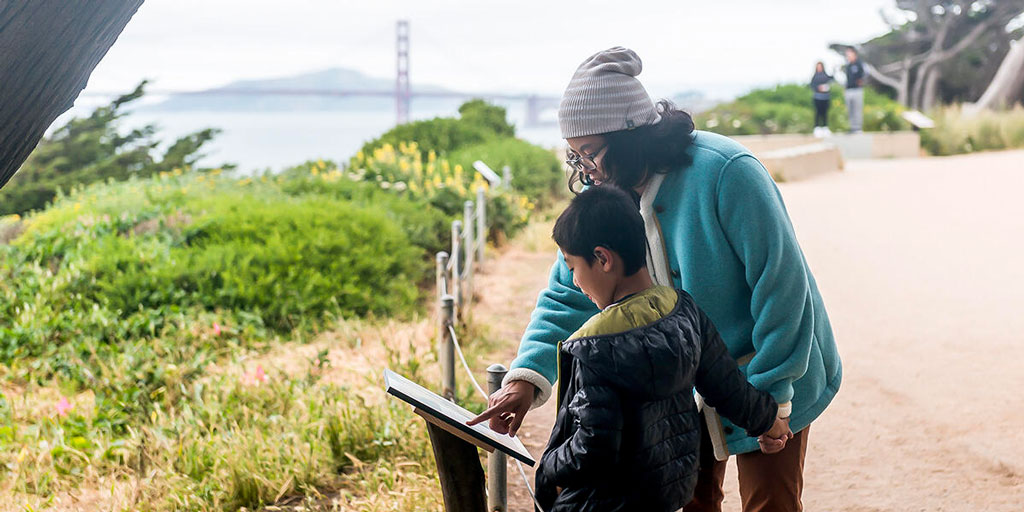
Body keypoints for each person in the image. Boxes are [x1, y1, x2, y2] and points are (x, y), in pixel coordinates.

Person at [468, 47, 842, 512]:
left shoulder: (727, 172)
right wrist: (525, 380)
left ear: (630, 137)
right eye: (574, 154)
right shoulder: (604, 193)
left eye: (590, 152)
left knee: (770, 502)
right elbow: (568, 292)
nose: (584, 169)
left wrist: (772, 402)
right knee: (689, 501)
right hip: (683, 380)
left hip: (774, 369)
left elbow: (782, 288)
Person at [531, 185, 791, 512]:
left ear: (602, 258)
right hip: (666, 493)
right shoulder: (683, 310)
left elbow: (593, 445)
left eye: (572, 269)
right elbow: (727, 386)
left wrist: (548, 472)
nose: (576, 283)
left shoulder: (594, 346)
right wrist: (769, 421)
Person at [844, 47, 865, 133]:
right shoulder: (848, 66)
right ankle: (852, 128)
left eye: (849, 53)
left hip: (857, 90)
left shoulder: (859, 64)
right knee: (850, 110)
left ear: (854, 54)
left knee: (857, 109)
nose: (847, 55)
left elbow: (864, 75)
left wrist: (860, 81)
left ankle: (858, 128)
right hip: (849, 90)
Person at [810, 61, 833, 137]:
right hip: (817, 97)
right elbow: (812, 86)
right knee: (817, 113)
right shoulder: (815, 77)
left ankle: (825, 127)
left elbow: (831, 80)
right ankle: (817, 127)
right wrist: (818, 88)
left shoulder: (826, 76)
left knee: (825, 113)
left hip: (825, 97)